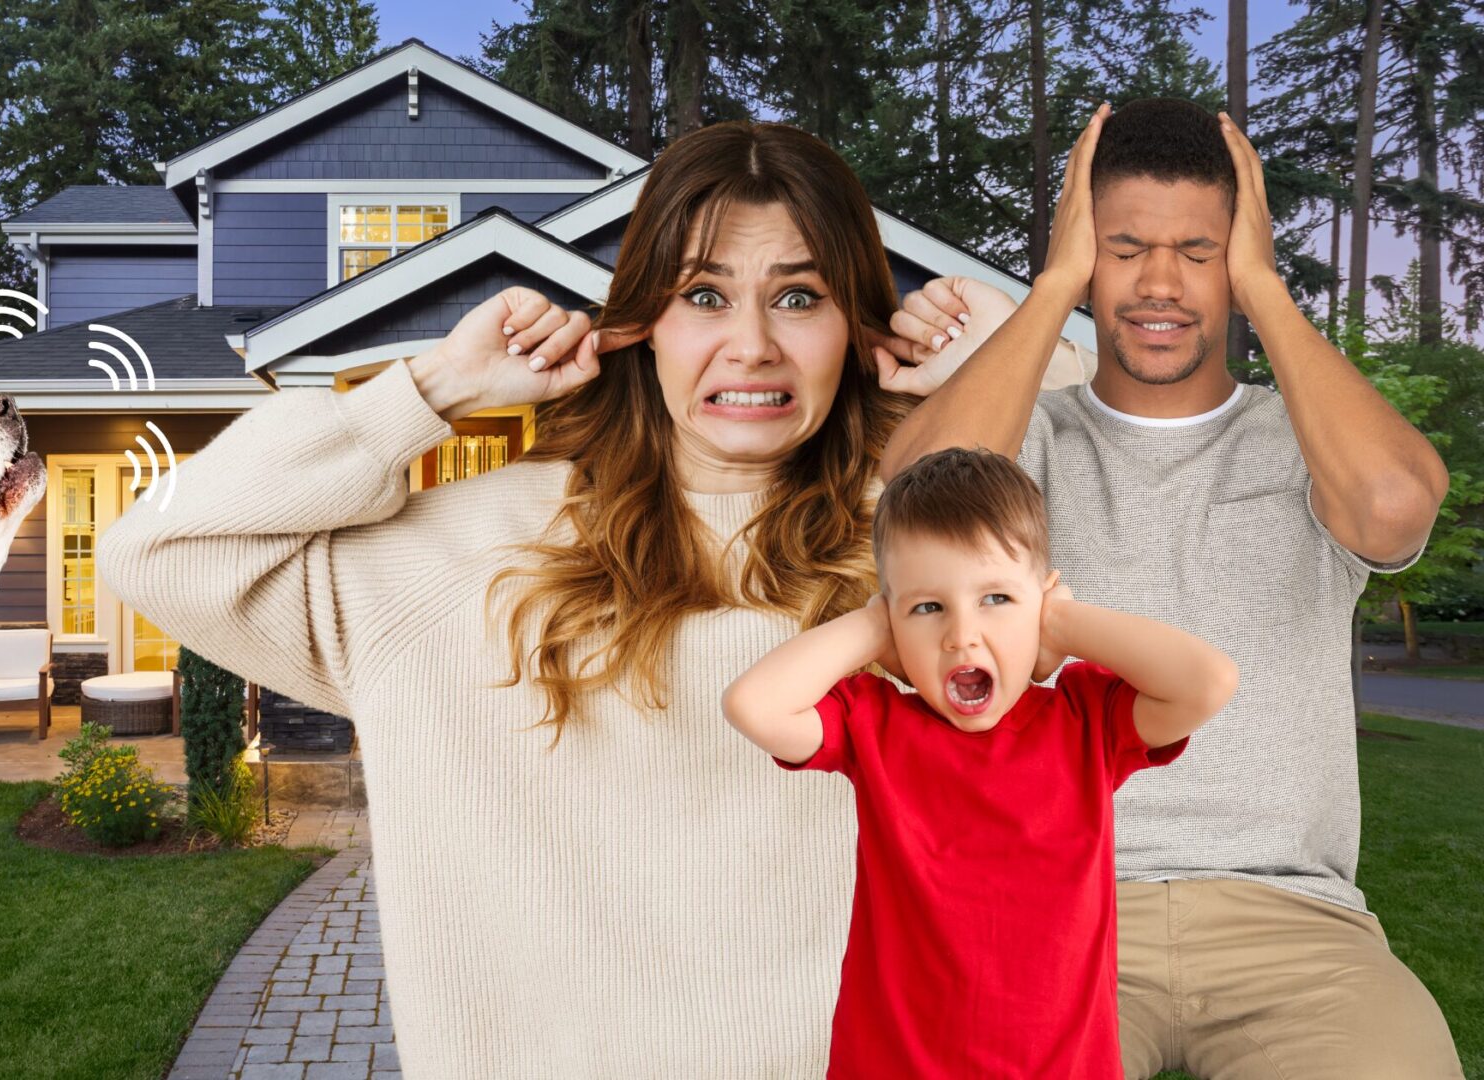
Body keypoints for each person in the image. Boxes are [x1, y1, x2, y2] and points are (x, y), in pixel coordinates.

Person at [95, 120, 1071, 1076]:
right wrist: (432, 387)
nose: (753, 344)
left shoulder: (936, 559)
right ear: (644, 322)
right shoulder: (460, 557)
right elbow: (159, 549)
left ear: (855, 327)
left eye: (800, 297)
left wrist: (1038, 366)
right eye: (704, 293)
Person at [879, 99, 1462, 1078]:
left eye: (1198, 250)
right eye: (1123, 247)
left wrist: (1265, 289)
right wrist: (1051, 285)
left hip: (1297, 927)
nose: (1160, 282)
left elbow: (1396, 506)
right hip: (1053, 913)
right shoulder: (1036, 438)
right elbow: (914, 505)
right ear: (1082, 255)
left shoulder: (1309, 441)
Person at [724, 446, 1236, 1078]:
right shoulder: (875, 724)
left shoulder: (1087, 723)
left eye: (995, 598)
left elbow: (1207, 681)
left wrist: (1066, 623)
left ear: (1042, 605)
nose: (961, 634)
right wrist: (871, 623)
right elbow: (753, 706)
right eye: (928, 607)